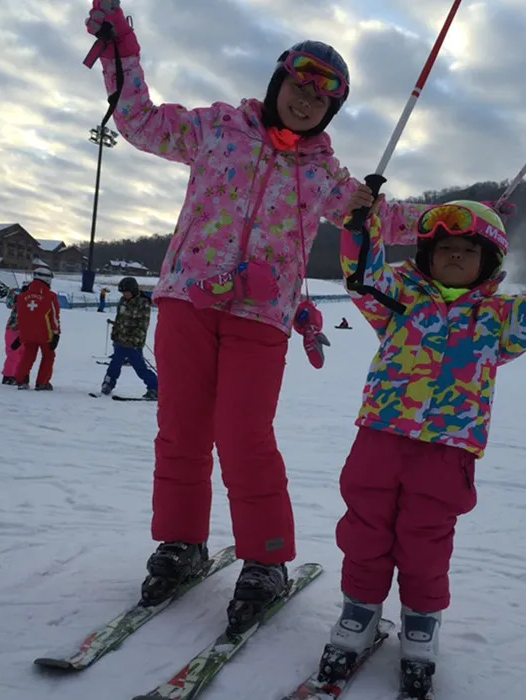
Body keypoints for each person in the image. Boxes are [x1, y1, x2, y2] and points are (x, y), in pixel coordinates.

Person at [84, 0, 429, 633]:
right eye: (298, 86)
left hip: (262, 315)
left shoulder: (325, 175)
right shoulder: (217, 127)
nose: (305, 101)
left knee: (244, 436)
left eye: (320, 99)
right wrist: (121, 52)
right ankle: (181, 543)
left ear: (331, 112)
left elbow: (384, 219)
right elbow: (137, 121)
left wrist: (457, 222)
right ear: (278, 83)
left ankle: (266, 560)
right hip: (188, 297)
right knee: (181, 429)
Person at [317, 200, 526, 697]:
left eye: (468, 250)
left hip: (449, 448)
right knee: (365, 528)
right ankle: (358, 613)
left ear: (488, 261)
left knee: (425, 541)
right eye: (446, 249)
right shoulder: (398, 298)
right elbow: (363, 273)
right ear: (428, 255)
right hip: (381, 434)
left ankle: (421, 624)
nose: (456, 257)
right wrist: (362, 226)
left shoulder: (498, 319)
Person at [101, 277, 158, 399]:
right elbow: (119, 319)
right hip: (120, 340)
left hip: (134, 343)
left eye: (126, 292)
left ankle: (155, 387)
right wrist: (115, 333)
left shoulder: (143, 303)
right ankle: (108, 383)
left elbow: (143, 325)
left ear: (133, 290)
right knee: (115, 364)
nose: (124, 295)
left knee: (140, 367)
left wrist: (134, 340)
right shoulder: (123, 301)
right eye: (123, 293)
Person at [14, 267, 61, 391]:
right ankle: (42, 382)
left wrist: (20, 334)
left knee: (28, 355)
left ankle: (21, 380)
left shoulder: (22, 296)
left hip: (27, 333)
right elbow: (54, 316)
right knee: (48, 356)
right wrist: (56, 334)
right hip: (45, 334)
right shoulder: (50, 296)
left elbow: (20, 316)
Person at [0, 280, 29, 385]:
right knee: (14, 353)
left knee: (22, 354)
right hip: (14, 329)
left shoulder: (22, 298)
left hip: (23, 330)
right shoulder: (18, 298)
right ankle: (9, 376)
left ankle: (18, 375)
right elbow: (10, 303)